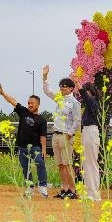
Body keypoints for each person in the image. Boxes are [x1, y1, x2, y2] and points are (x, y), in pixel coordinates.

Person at [0, 83, 49, 197]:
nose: (30, 105)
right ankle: (29, 188)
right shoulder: (23, 112)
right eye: (29, 103)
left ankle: (42, 186)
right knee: (26, 168)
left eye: (32, 103)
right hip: (22, 147)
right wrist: (3, 93)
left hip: (35, 147)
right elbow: (13, 101)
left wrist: (43, 149)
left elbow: (43, 136)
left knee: (40, 163)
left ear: (38, 104)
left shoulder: (42, 120)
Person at [42, 65, 80, 199]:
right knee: (60, 164)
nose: (62, 87)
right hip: (56, 134)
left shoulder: (74, 102)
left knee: (68, 164)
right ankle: (64, 189)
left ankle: (73, 190)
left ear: (71, 88)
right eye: (61, 86)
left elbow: (77, 120)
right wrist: (45, 76)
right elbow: (47, 91)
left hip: (66, 136)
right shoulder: (59, 98)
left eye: (65, 86)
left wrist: (70, 133)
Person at [76, 82, 102, 201]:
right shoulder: (91, 105)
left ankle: (93, 193)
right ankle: (90, 191)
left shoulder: (93, 102)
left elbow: (85, 97)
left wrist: (77, 83)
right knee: (86, 163)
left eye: (85, 91)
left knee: (91, 163)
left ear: (90, 92)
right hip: (87, 132)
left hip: (90, 132)